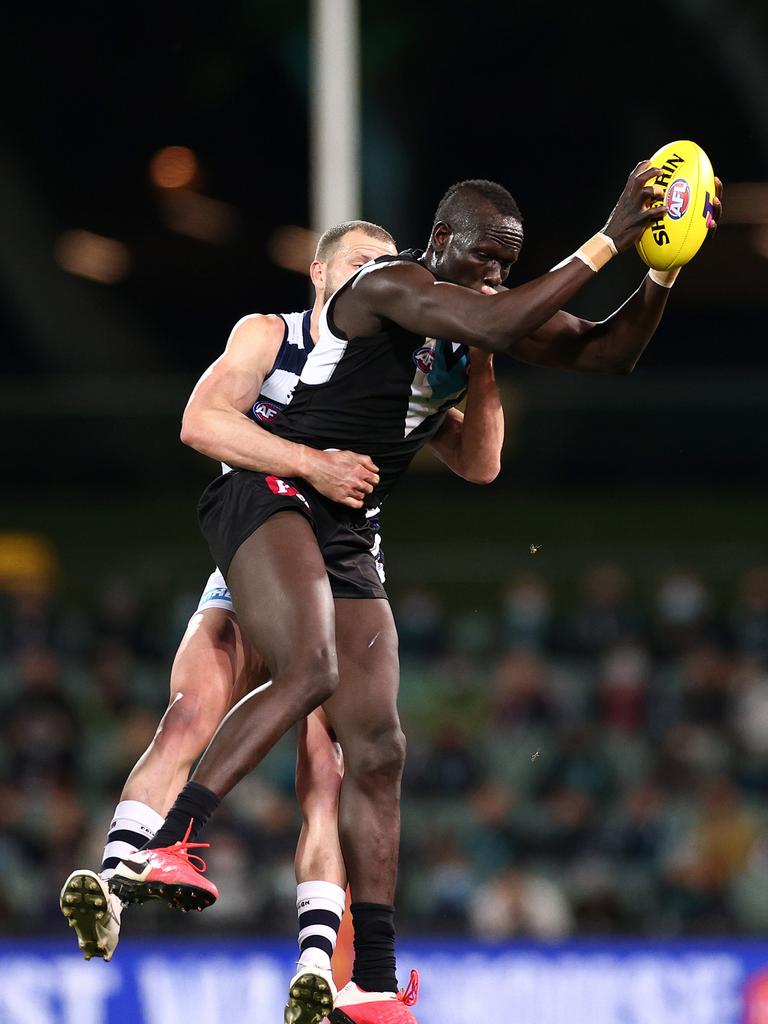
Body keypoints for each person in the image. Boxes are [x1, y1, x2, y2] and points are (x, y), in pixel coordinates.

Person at [109, 162, 723, 1024]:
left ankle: (371, 978)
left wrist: (665, 264)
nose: (494, 278)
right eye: (482, 260)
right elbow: (502, 315)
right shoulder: (392, 282)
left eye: (506, 265)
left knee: (381, 747)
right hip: (276, 489)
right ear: (440, 245)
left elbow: (608, 355)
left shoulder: (476, 310)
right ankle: (169, 837)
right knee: (311, 668)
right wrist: (615, 229)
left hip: (350, 525)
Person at [60, 219, 504, 1024]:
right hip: (261, 551)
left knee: (337, 767)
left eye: (388, 265)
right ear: (319, 272)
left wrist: (482, 356)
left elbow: (480, 463)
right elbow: (202, 424)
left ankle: (318, 964)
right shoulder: (273, 334)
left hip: (341, 570)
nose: (380, 277)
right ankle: (123, 873)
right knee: (194, 707)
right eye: (362, 264)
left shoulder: (405, 368)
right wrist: (311, 463)